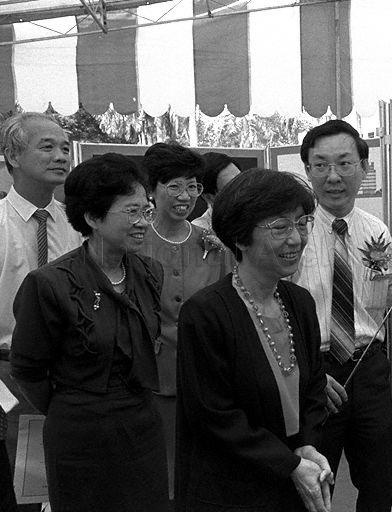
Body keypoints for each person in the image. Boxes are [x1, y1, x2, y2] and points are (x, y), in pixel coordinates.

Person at [10, 153, 169, 511]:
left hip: (142, 423)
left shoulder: (149, 272)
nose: (144, 221)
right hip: (80, 433)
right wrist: (73, 407)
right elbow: (28, 370)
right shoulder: (50, 284)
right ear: (93, 217)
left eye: (147, 210)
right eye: (131, 211)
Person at [293, 120, 392, 511]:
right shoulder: (294, 230)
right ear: (307, 171)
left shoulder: (375, 231)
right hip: (313, 370)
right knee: (315, 477)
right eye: (320, 165)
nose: (332, 176)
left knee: (378, 472)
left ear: (365, 168)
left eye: (343, 163)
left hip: (368, 368)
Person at [176, 169, 332, 512]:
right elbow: (213, 415)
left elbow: (314, 388)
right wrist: (288, 463)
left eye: (302, 223)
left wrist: (306, 446)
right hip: (232, 487)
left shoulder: (299, 302)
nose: (296, 238)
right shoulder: (205, 313)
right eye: (280, 227)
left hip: (292, 476)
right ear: (240, 238)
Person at [0, 112, 82, 511]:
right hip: (9, 382)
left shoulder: (79, 226)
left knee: (70, 490)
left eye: (65, 148)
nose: (61, 156)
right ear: (12, 156)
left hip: (74, 378)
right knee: (23, 494)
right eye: (47, 146)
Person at [139, 142, 230, 499]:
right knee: (160, 480)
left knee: (205, 478)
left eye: (192, 185)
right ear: (151, 189)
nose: (185, 195)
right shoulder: (134, 243)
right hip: (152, 381)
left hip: (206, 381)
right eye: (174, 185)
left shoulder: (212, 245)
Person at [191, 152, 241, 233]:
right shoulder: (199, 232)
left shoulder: (262, 216)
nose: (243, 189)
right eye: (232, 187)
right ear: (209, 197)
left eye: (242, 179)